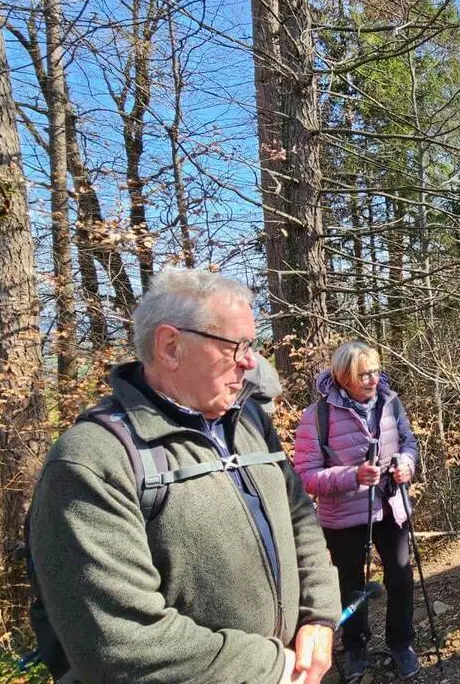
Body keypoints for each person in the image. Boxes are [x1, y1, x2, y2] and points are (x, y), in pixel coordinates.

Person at [27, 268, 341, 684]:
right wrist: (275, 668)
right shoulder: (91, 461)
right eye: (236, 346)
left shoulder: (248, 421)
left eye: (252, 345)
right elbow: (123, 644)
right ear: (171, 347)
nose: (251, 361)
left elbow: (299, 518)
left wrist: (319, 615)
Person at [293, 342, 422, 680]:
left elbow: (409, 443)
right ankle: (355, 648)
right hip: (343, 517)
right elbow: (305, 475)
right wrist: (353, 476)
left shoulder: (391, 403)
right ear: (343, 377)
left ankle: (401, 643)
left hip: (390, 506)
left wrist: (406, 465)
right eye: (363, 374)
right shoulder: (317, 416)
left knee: (401, 577)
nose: (373, 380)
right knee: (351, 586)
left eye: (375, 371)